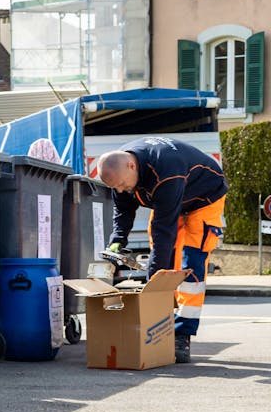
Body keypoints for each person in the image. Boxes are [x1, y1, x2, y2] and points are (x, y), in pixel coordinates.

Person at [96, 136, 227, 363]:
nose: (120, 189)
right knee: (166, 262)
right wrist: (118, 240)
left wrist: (152, 287)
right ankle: (161, 327)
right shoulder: (120, 172)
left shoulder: (167, 170)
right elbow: (123, 210)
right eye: (114, 187)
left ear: (131, 165)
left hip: (204, 199)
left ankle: (182, 334)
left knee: (190, 269)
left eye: (121, 184)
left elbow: (163, 233)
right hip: (173, 199)